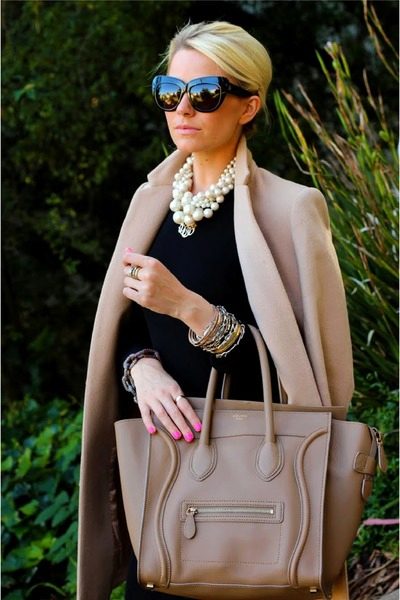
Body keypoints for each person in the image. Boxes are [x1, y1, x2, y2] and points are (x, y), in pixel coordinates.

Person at [77, 21, 354, 600]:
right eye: (169, 91)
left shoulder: (291, 210)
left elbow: (311, 388)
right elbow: (123, 330)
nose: (182, 108)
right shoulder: (150, 203)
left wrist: (191, 309)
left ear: (248, 106)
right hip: (162, 488)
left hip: (255, 502)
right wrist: (142, 369)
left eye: (204, 93)